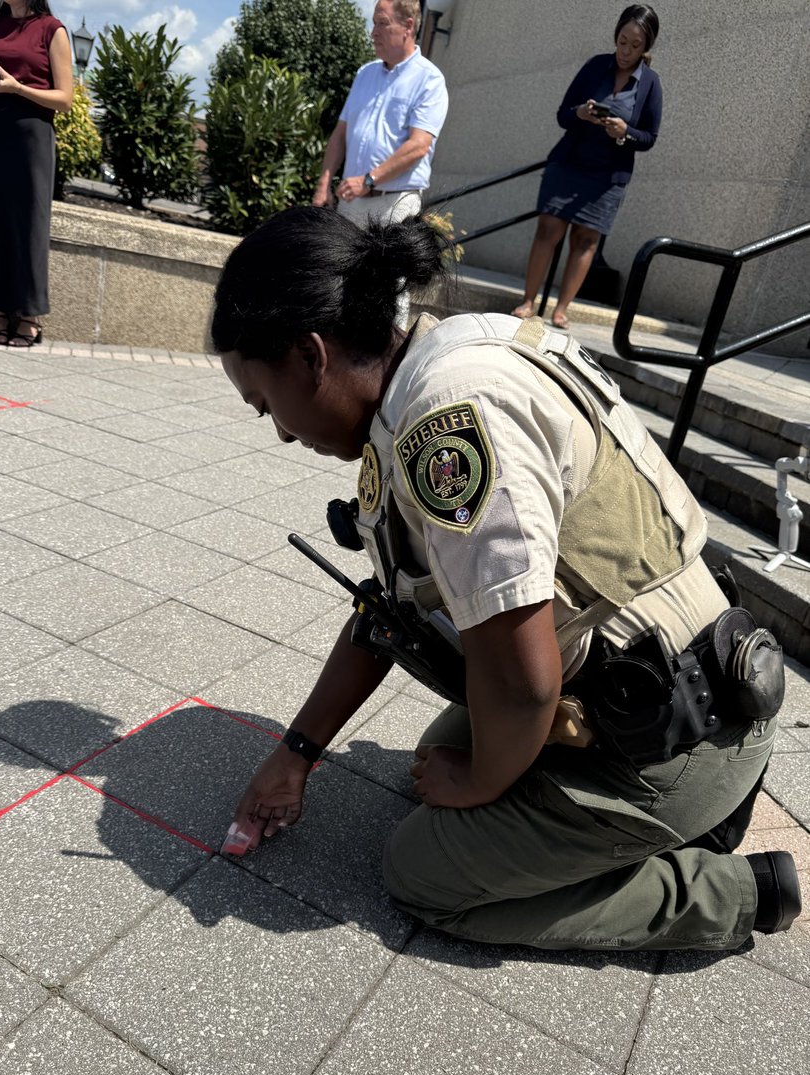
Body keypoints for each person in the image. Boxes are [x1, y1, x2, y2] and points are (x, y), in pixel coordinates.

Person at [210, 205, 799, 952]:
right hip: (671, 688)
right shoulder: (440, 358)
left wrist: (483, 782)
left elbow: (522, 689)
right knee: (435, 758)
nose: (282, 431)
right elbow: (388, 617)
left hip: (675, 737)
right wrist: (296, 752)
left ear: (309, 354)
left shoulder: (444, 421)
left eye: (267, 405)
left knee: (424, 872)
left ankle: (729, 892)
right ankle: (654, 818)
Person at [513, 4, 663, 330]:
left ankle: (562, 309)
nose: (626, 51)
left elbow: (649, 136)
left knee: (585, 241)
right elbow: (562, 114)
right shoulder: (596, 66)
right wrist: (580, 113)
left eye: (635, 45)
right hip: (568, 163)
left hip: (608, 177)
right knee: (548, 228)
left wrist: (626, 133)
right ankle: (528, 301)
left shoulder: (650, 84)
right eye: (622, 41)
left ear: (646, 46)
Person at [311, 0, 448, 328]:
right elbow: (340, 134)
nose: (373, 32)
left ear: (408, 27)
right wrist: (323, 184)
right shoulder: (365, 74)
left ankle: (388, 370)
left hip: (395, 203)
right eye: (373, 23)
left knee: (390, 289)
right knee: (341, 282)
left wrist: (368, 180)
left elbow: (418, 146)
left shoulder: (429, 80)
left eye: (382, 23)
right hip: (351, 201)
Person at [0, 0, 73, 346]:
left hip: (32, 135)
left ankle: (29, 314)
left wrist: (19, 89)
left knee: (29, 222)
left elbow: (65, 99)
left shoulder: (51, 29)